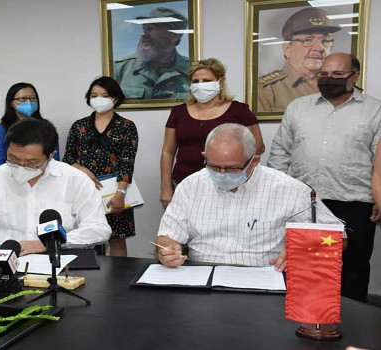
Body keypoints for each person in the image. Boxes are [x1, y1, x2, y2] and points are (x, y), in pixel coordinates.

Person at [268, 53, 381, 302]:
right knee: (302, 268)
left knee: (353, 268)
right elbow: (280, 152)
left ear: (355, 76)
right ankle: (304, 323)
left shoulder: (375, 110)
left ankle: (352, 325)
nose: (328, 80)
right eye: (323, 75)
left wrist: (379, 198)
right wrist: (272, 193)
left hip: (354, 204)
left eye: (337, 75)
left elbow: (380, 163)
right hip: (303, 205)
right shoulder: (298, 107)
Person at [156, 123, 340, 269]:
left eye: (231, 168)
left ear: (254, 161)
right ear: (205, 156)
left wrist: (301, 251)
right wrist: (168, 250)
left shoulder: (291, 190)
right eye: (213, 166)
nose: (221, 173)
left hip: (262, 278)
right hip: (201, 274)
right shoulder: (190, 186)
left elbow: (337, 237)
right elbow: (167, 236)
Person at [0, 118, 111, 256]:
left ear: (50, 156)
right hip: (8, 264)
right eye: (13, 159)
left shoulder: (76, 180)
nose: (21, 166)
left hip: (62, 261)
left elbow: (98, 229)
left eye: (31, 162)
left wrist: (52, 243)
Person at [159, 58, 264, 208]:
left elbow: (258, 147)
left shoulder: (239, 111)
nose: (200, 85)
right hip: (184, 183)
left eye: (206, 80)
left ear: (220, 83)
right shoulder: (178, 112)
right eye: (195, 81)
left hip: (227, 184)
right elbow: (168, 152)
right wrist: (166, 187)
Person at [63, 76, 139, 257]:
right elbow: (67, 158)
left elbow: (127, 162)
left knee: (117, 238)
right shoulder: (79, 125)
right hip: (83, 190)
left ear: (115, 98)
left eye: (104, 95)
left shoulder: (126, 126)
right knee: (85, 237)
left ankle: (117, 280)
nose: (98, 99)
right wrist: (82, 169)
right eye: (94, 95)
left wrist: (120, 193)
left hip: (114, 192)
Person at [258, 7, 341, 113]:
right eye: (307, 40)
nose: (319, 47)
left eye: (325, 41)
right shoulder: (266, 90)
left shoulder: (339, 84)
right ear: (287, 49)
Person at [113, 6, 190, 100]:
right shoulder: (121, 69)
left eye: (151, 28)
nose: (144, 34)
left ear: (174, 36)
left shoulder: (191, 70)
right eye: (144, 28)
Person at [0, 83, 59, 169]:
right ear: (11, 103)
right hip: (11, 177)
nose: (29, 102)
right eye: (23, 99)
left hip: (43, 176)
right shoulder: (0, 130)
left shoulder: (47, 129)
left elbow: (54, 160)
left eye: (33, 98)